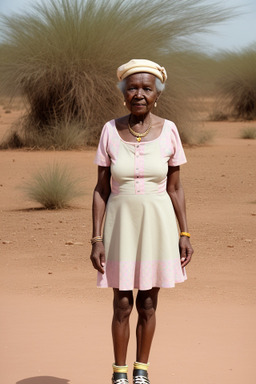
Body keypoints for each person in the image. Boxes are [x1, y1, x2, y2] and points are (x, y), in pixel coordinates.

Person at [90, 59, 194, 384]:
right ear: (124, 93)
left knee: (148, 301)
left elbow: (175, 188)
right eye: (132, 88)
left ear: (156, 95)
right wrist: (96, 239)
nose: (139, 94)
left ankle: (141, 371)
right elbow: (101, 189)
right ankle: (119, 373)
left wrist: (185, 233)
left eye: (146, 88)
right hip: (120, 226)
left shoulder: (170, 130)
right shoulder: (110, 130)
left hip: (158, 226)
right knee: (122, 302)